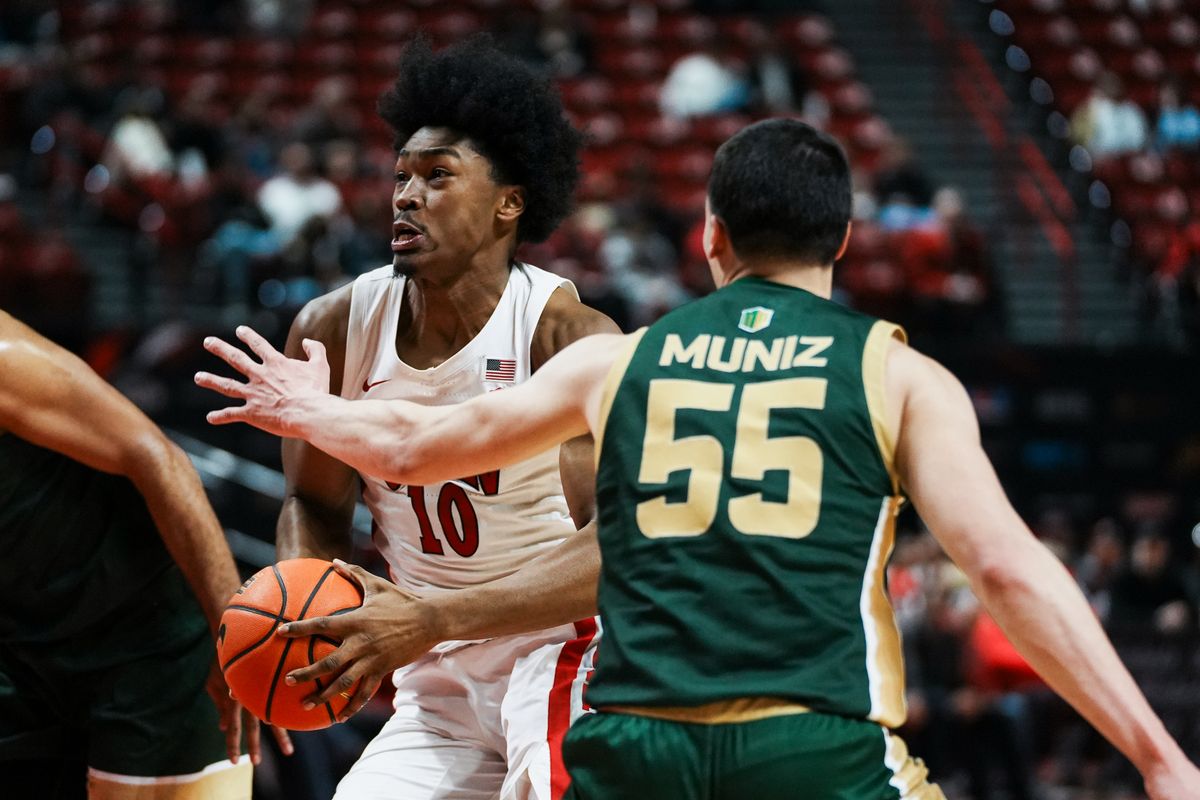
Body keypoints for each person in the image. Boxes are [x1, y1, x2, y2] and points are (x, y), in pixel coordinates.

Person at [197, 119, 1200, 799]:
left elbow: (414, 443)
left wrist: (310, 407)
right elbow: (1007, 568)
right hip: (809, 743)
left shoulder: (618, 360)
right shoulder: (898, 374)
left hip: (631, 745)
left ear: (709, 235)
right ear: (843, 240)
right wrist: (1157, 755)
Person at [207, 36, 617, 800]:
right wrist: (308, 613)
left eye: (436, 176)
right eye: (400, 176)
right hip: (435, 673)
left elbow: (616, 554)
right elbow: (316, 503)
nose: (405, 195)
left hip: (563, 653)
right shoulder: (333, 329)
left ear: (509, 203)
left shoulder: (565, 337)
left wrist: (431, 615)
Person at [0, 310, 291, 800]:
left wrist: (234, 631)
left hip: (146, 645)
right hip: (19, 651)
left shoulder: (8, 360)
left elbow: (159, 459)